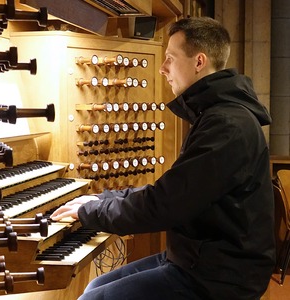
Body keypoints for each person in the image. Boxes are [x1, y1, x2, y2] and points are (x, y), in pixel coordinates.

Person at [51, 17, 276, 300]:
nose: (162, 68)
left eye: (170, 58)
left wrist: (92, 213)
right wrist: (103, 199)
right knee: (95, 287)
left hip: (220, 277)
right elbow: (172, 191)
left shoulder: (227, 125)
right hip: (197, 258)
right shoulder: (215, 115)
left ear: (199, 62)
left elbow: (166, 204)